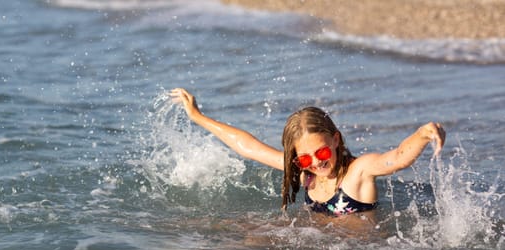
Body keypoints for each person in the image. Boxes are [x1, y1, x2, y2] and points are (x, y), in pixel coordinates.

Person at [170, 88, 446, 216]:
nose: (316, 163)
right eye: (304, 158)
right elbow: (249, 148)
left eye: (322, 153)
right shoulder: (306, 175)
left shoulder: (358, 172)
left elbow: (396, 158)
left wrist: (422, 135)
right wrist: (198, 117)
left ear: (336, 140)